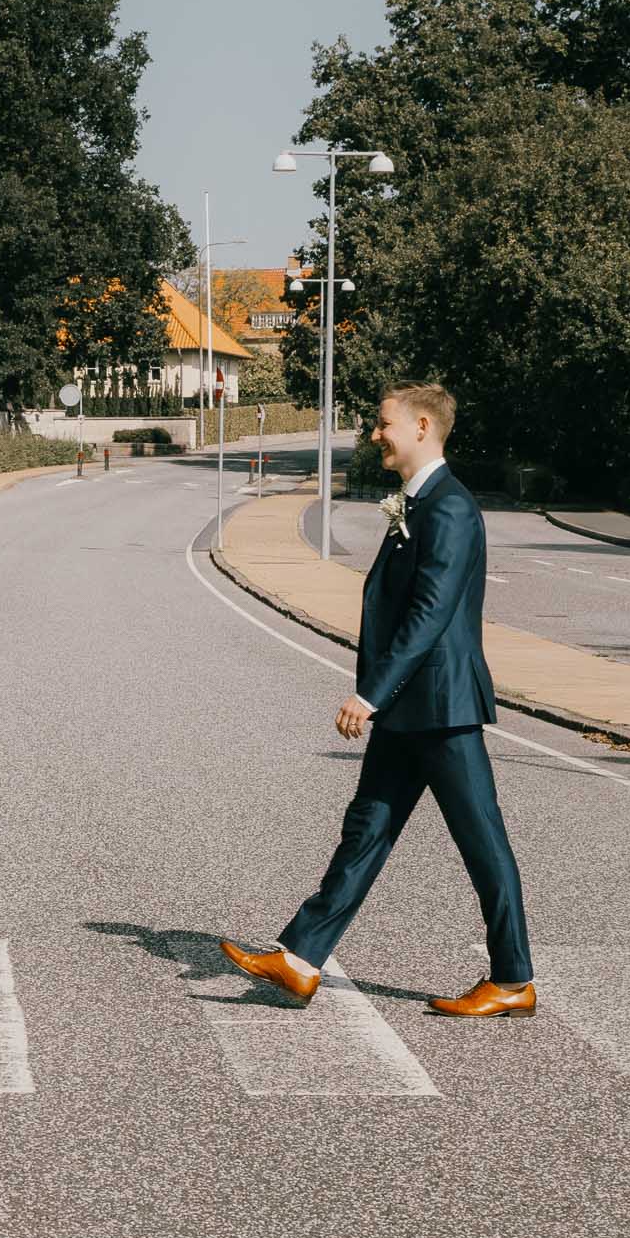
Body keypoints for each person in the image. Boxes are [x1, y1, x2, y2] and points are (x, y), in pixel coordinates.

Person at [218, 381, 537, 1018]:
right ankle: (302, 957)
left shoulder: (447, 507)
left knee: (481, 841)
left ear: (422, 427)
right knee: (365, 830)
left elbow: (429, 613)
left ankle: (512, 979)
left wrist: (368, 693)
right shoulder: (419, 505)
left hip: (440, 707)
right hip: (410, 708)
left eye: (383, 423)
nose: (374, 434)